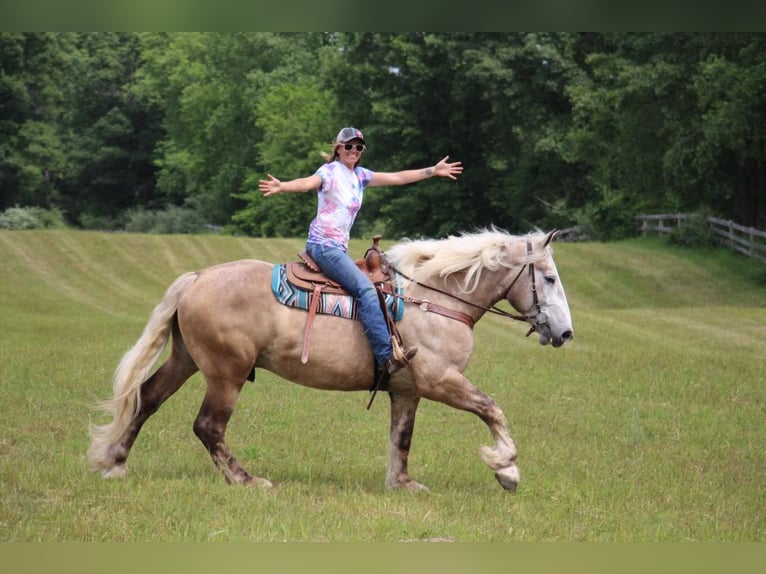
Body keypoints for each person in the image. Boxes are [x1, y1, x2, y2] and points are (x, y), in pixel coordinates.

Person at [258, 127, 463, 375]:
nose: (353, 151)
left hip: (337, 249)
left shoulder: (361, 176)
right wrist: (283, 186)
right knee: (366, 290)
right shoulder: (329, 172)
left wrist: (433, 171)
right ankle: (386, 357)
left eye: (358, 147)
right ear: (338, 149)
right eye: (348, 146)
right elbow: (307, 183)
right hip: (324, 246)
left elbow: (398, 178)